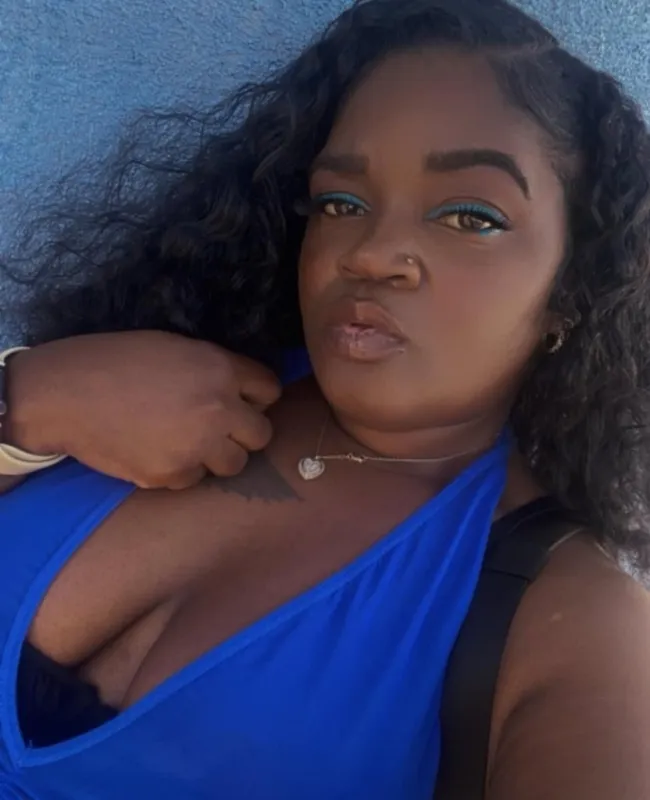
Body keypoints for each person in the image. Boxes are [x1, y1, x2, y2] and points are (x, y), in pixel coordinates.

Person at [1, 0, 650, 797]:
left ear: (570, 290)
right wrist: (27, 399)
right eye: (342, 203)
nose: (372, 253)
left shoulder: (565, 609)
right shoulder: (167, 363)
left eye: (470, 215)